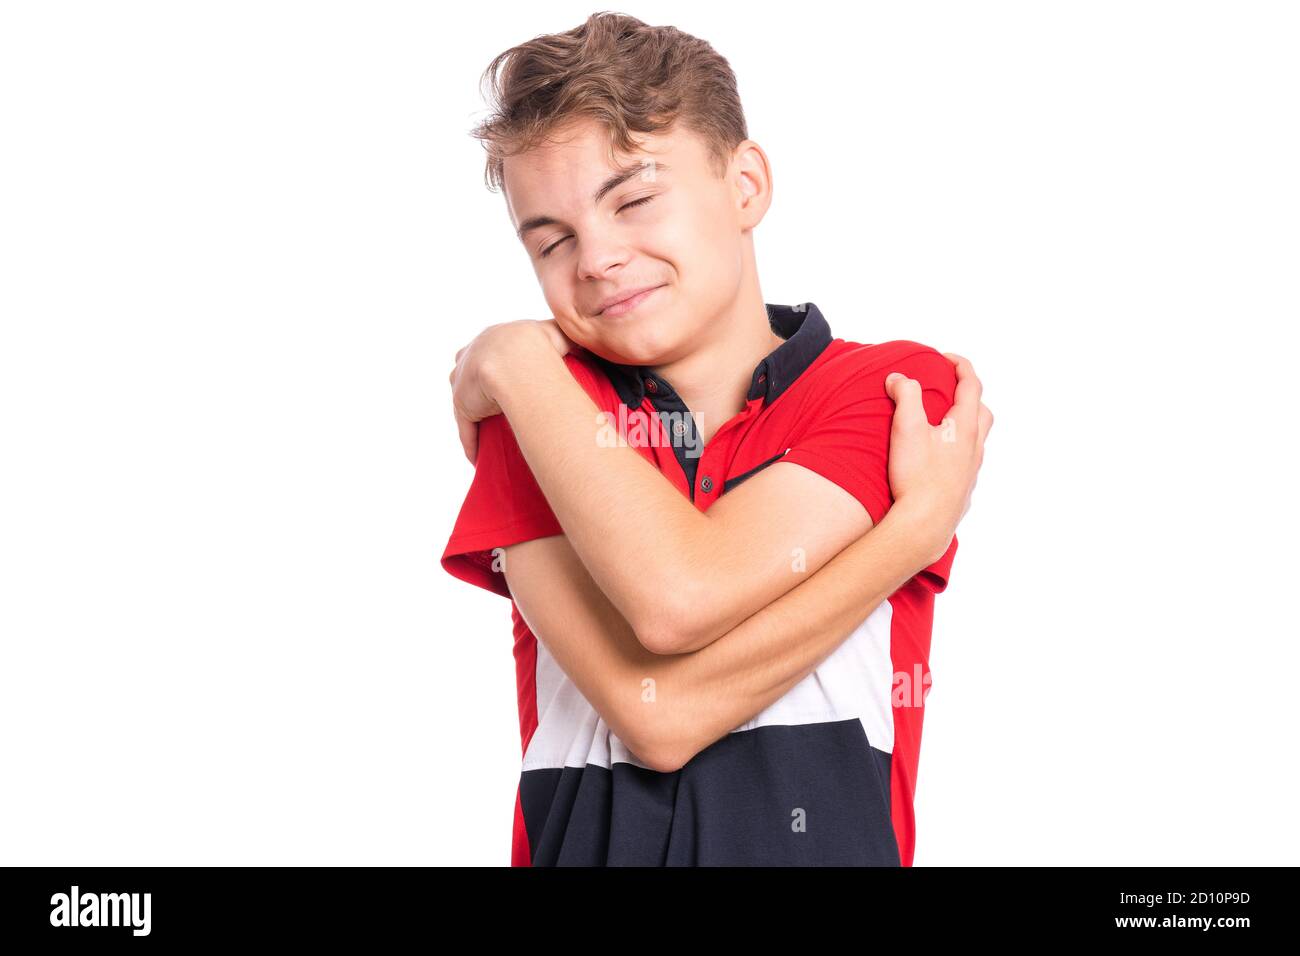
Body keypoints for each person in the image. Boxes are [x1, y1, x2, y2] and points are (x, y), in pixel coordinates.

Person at [441, 12, 992, 866]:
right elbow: (658, 716)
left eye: (633, 200)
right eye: (551, 241)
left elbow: (676, 605)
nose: (596, 259)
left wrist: (510, 359)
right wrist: (911, 535)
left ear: (745, 186)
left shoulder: (890, 390)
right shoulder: (539, 411)